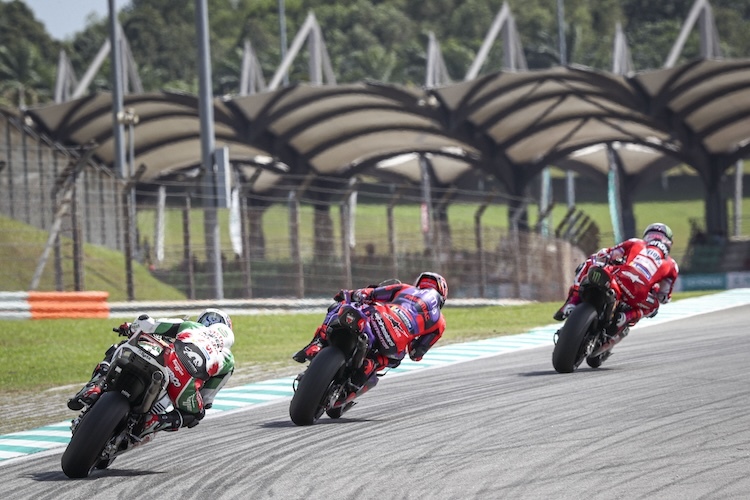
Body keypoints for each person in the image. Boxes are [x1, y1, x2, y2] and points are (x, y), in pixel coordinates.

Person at [67, 308, 235, 436]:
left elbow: (148, 323)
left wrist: (129, 327)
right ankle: (154, 422)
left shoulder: (191, 326)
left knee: (120, 347)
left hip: (165, 358)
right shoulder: (228, 359)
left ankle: (95, 385)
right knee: (197, 414)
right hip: (183, 382)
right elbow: (206, 398)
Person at [293, 272, 448, 388]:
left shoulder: (405, 289)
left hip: (377, 318)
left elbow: (369, 294)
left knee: (338, 308)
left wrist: (346, 295)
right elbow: (416, 353)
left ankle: (318, 343)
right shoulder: (439, 323)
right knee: (392, 358)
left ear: (420, 283)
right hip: (395, 341)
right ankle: (366, 368)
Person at [554, 222, 680, 336]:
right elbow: (663, 296)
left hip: (619, 276)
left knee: (590, 261)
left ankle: (573, 300)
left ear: (647, 236)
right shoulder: (672, 265)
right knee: (654, 306)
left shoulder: (636, 242)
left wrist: (604, 259)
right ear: (668, 243)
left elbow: (605, 254)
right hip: (638, 294)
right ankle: (626, 317)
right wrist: (654, 289)